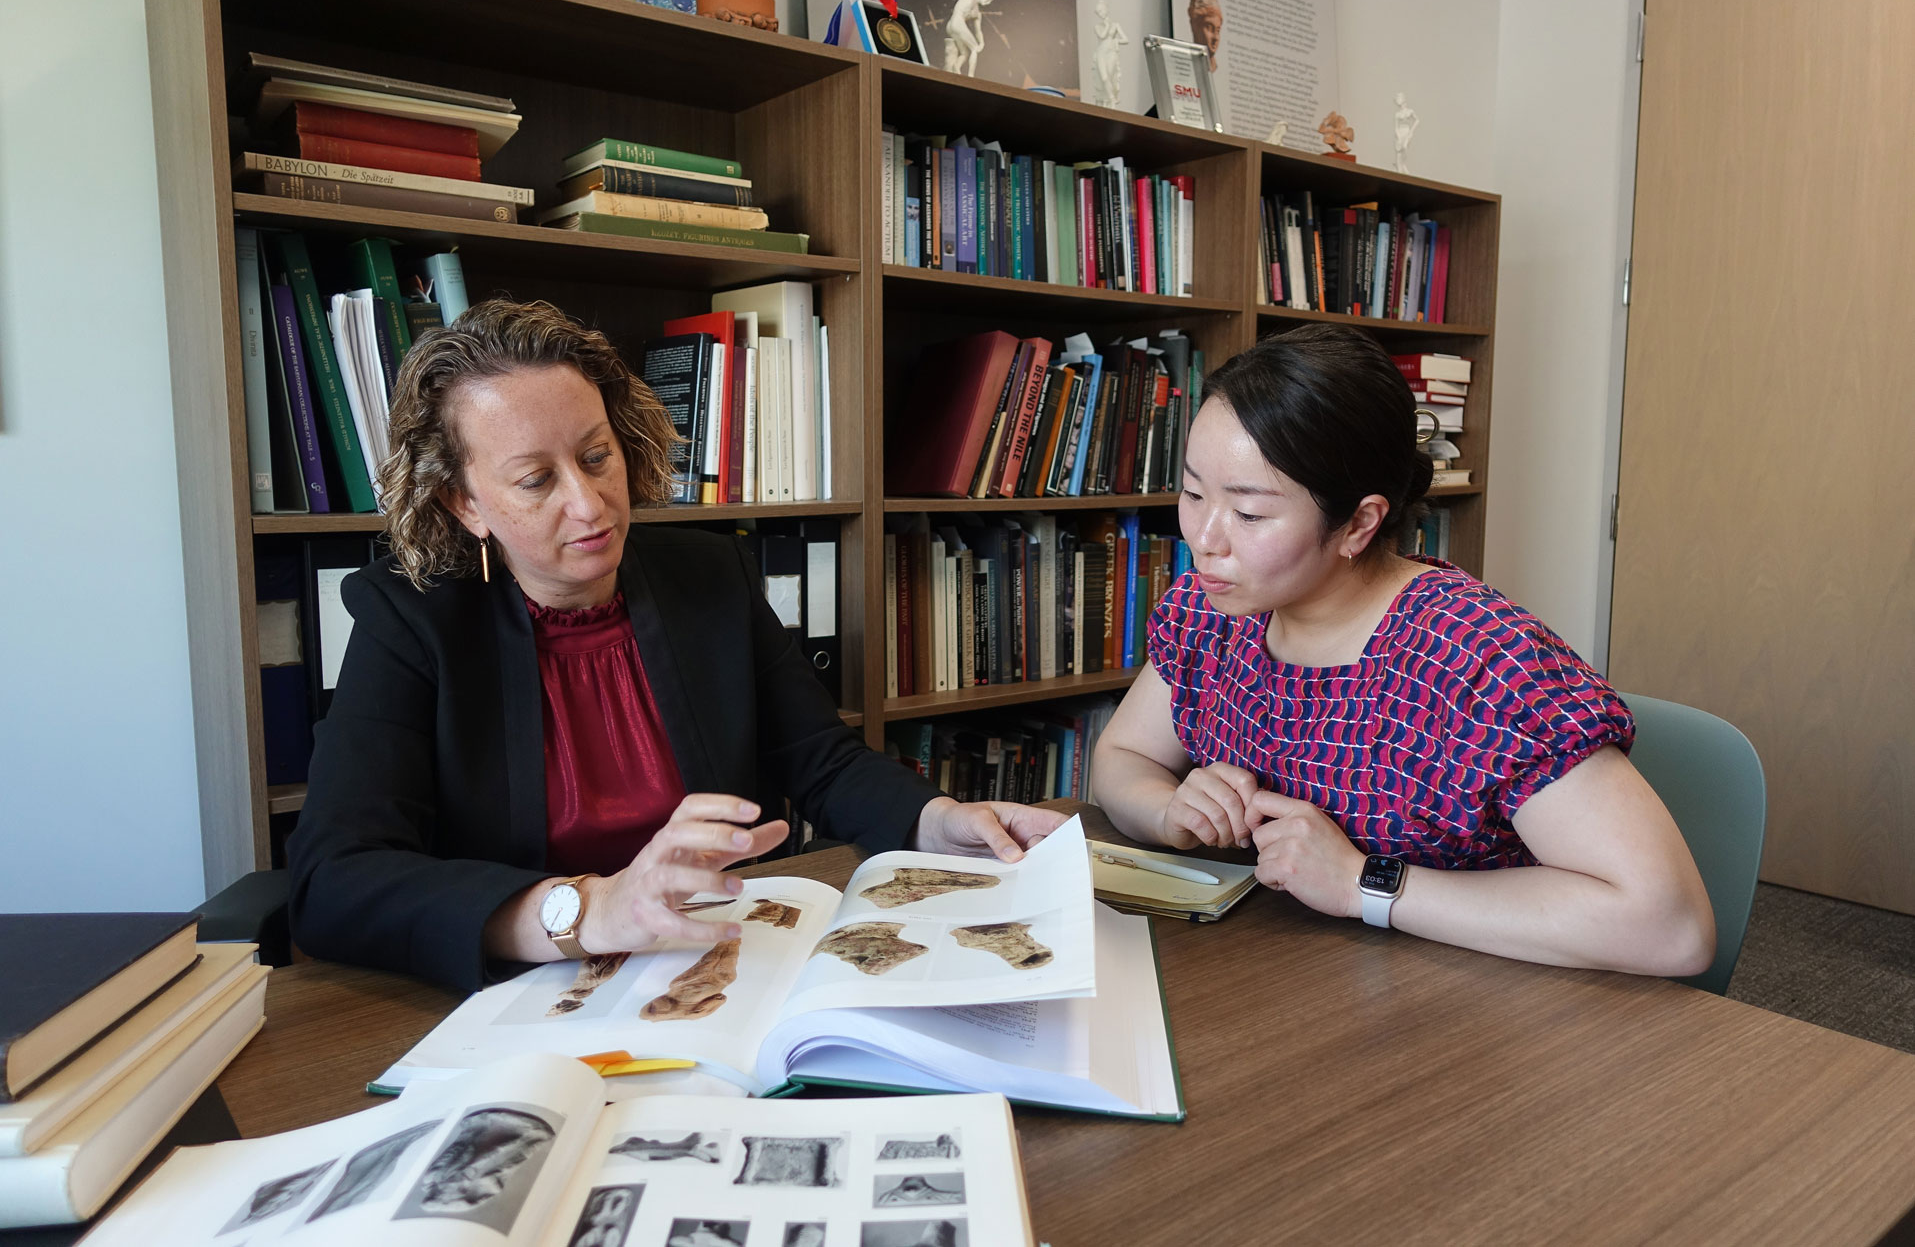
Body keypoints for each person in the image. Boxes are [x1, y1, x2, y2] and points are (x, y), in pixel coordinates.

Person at [287, 300, 1063, 993]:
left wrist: (938, 819)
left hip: (717, 966)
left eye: (595, 457)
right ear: (467, 503)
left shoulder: (706, 572)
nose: (589, 503)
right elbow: (334, 882)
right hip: (528, 997)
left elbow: (820, 760)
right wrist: (586, 908)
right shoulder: (410, 620)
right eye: (534, 480)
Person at [1090, 325, 1716, 976]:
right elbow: (1121, 755)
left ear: (1358, 523)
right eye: (1193, 493)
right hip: (1311, 983)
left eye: (1248, 514)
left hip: (1487, 1006)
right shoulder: (1212, 610)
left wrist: (1365, 882)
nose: (1204, 538)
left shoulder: (1474, 659)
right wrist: (1168, 810)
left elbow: (1669, 925)